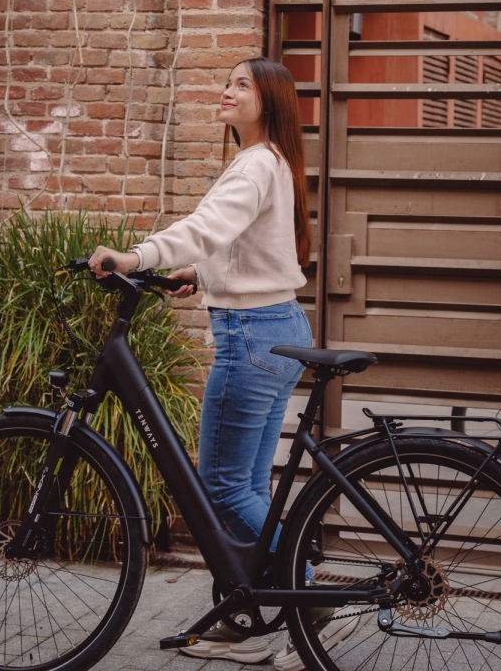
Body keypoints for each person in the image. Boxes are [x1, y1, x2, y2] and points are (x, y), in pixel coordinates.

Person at [89, 57, 358, 669]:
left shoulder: (254, 163)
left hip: (251, 338)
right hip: (276, 324)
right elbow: (241, 246)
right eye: (229, 81)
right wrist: (195, 274)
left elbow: (207, 227)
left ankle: (305, 592)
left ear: (270, 102)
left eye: (243, 84)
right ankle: (261, 611)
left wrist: (135, 256)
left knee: (223, 484)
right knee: (245, 484)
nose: (228, 90)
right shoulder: (272, 163)